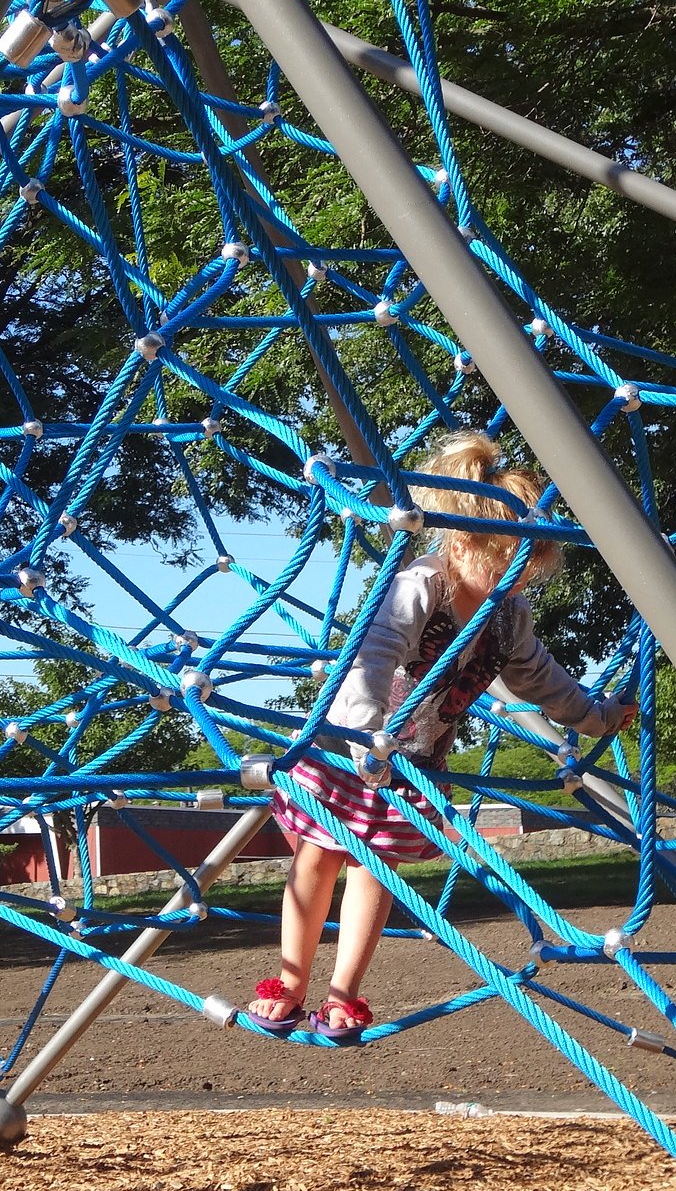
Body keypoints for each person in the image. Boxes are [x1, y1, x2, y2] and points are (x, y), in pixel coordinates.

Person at [245, 430, 633, 1043]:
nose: (512, 578)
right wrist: (365, 737)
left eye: (523, 568)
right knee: (317, 855)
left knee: (377, 868)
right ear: (462, 542)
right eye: (501, 561)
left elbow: (540, 679)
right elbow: (372, 657)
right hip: (350, 746)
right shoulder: (421, 584)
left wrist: (595, 716)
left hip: (415, 764)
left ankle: (343, 993)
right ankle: (292, 981)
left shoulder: (509, 615)